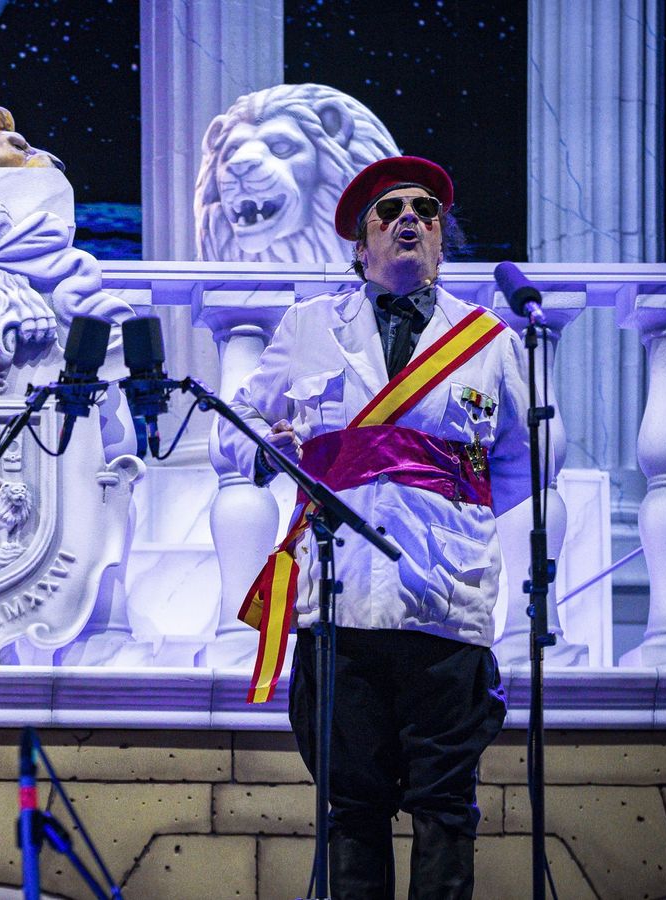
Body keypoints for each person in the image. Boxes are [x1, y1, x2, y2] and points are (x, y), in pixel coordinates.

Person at [217, 156, 537, 898]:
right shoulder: (306, 328)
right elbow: (233, 433)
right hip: (341, 605)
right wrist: (272, 449)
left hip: (445, 608)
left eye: (425, 210)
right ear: (360, 243)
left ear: (439, 240)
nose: (409, 220)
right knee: (353, 812)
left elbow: (521, 466)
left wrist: (443, 519)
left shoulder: (490, 340)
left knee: (446, 812)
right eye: (388, 210)